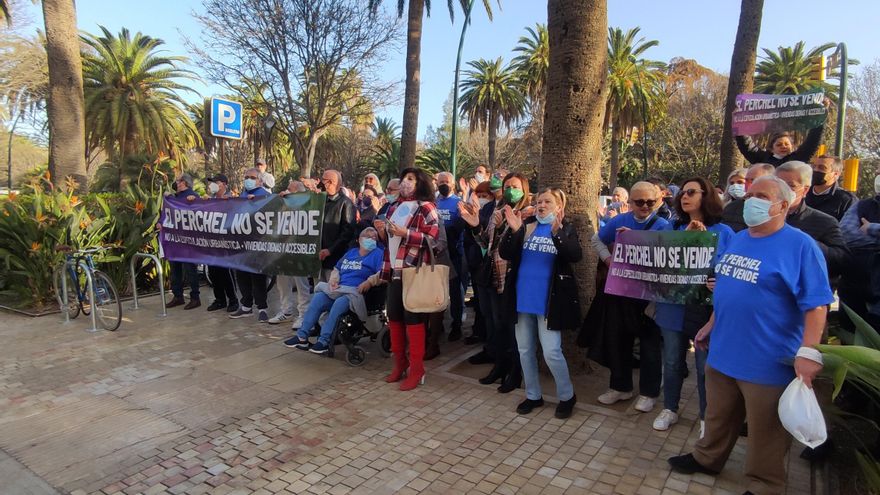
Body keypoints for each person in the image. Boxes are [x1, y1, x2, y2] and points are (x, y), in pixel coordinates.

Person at [668, 175, 833, 495]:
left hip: (768, 359)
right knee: (718, 414)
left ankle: (764, 484)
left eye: (761, 195)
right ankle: (707, 458)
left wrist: (809, 351)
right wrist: (711, 324)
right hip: (725, 349)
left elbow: (816, 305)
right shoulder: (741, 237)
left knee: (765, 429)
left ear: (783, 205)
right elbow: (728, 285)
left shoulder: (801, 246)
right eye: (750, 194)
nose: (751, 200)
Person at [652, 178, 734, 433]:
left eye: (691, 192)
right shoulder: (671, 228)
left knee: (703, 366)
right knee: (673, 361)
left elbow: (727, 268)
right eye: (683, 193)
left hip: (706, 311)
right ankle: (670, 408)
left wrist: (704, 248)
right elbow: (659, 262)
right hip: (673, 307)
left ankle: (706, 417)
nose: (685, 196)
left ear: (705, 196)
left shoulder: (724, 233)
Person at [499, 187, 582, 418]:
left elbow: (575, 255)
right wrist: (514, 231)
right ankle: (533, 395)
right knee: (525, 350)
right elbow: (506, 253)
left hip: (548, 303)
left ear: (559, 206)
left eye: (547, 202)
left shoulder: (566, 229)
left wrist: (558, 234)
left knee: (552, 352)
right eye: (538, 202)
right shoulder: (526, 227)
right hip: (522, 299)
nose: (541, 205)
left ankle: (567, 395)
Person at [587, 181, 669, 409]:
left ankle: (649, 392)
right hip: (620, 291)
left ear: (658, 201)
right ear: (629, 202)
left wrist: (636, 239)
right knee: (618, 340)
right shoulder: (619, 220)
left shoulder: (663, 225)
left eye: (650, 202)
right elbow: (596, 239)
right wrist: (607, 259)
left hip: (648, 295)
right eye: (639, 202)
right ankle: (620, 387)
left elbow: (667, 257)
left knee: (649, 344)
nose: (644, 206)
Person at [460, 172, 532, 394]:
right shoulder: (496, 210)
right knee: (496, 326)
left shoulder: (528, 213)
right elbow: (486, 244)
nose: (510, 189)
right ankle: (499, 366)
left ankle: (515, 372)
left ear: (524, 189)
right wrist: (475, 226)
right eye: (507, 185)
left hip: (512, 278)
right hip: (492, 275)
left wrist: (509, 227)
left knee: (511, 328)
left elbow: (522, 247)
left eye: (515, 186)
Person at [377, 167, 440, 391]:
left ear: (420, 183)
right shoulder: (394, 206)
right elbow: (390, 241)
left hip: (413, 270)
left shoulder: (426, 208)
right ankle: (399, 364)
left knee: (412, 319)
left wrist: (406, 234)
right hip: (394, 269)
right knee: (393, 316)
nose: (405, 182)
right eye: (404, 178)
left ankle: (416, 369)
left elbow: (434, 239)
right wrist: (383, 231)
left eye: (411, 179)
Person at [284, 228, 384, 354]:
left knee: (339, 303)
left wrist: (369, 282)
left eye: (374, 237)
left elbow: (382, 274)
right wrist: (333, 280)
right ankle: (301, 336)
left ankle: (324, 341)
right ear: (359, 240)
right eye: (367, 236)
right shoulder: (351, 252)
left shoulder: (378, 254)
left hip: (355, 292)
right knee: (318, 298)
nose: (371, 239)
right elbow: (337, 269)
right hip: (339, 288)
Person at [775, 161, 850, 282]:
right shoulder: (761, 216)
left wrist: (806, 242)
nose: (782, 190)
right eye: (778, 184)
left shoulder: (825, 222)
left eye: (791, 185)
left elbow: (840, 261)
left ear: (805, 190)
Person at [229, 169, 272, 321]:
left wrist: (258, 202)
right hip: (241, 244)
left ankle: (262, 308)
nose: (248, 180)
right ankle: (246, 306)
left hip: (258, 244)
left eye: (252, 177)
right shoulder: (242, 195)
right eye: (246, 177)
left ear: (260, 180)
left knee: (258, 276)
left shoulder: (265, 194)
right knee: (242, 275)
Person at [269, 180, 313, 327]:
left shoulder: (308, 203)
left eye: (290, 190)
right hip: (283, 249)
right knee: (282, 281)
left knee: (301, 283)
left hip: (299, 249)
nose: (287, 191)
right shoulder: (283, 204)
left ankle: (304, 314)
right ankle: (286, 311)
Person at [839, 174, 880, 330]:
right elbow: (846, 235)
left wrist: (871, 228)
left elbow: (859, 236)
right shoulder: (863, 205)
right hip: (853, 288)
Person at [434, 172, 465, 343]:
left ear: (453, 184)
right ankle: (438, 325)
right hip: (436, 252)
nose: (444, 184)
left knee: (455, 289)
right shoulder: (434, 202)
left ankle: (457, 324)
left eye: (447, 182)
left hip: (454, 253)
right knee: (437, 290)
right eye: (441, 182)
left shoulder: (458, 203)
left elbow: (461, 226)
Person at [204, 174, 240, 313]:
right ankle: (219, 300)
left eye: (216, 182)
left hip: (226, 243)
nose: (213, 185)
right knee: (213, 272)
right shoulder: (210, 200)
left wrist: (230, 202)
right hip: (212, 243)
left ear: (224, 184)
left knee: (226, 272)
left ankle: (233, 300)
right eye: (212, 182)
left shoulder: (232, 198)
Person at [166, 174, 201, 310]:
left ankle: (195, 297)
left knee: (190, 268)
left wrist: (195, 200)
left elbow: (200, 211)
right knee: (175, 269)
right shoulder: (174, 197)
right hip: (175, 238)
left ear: (185, 183)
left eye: (179, 181)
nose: (177, 183)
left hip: (188, 240)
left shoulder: (192, 196)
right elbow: (166, 213)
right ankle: (178, 296)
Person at [319, 169, 357, 282]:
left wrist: (330, 250)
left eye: (324, 181)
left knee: (332, 292)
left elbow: (347, 233)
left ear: (331, 182)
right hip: (318, 260)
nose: (322, 184)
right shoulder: (320, 201)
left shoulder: (346, 204)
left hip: (335, 260)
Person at [721, 163, 775, 233]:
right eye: (746, 180)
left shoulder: (776, 206)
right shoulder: (731, 206)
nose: (748, 184)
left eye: (753, 180)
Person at [735, 125, 824, 166]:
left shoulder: (798, 158)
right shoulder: (762, 159)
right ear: (771, 148)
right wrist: (739, 122)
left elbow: (812, 143)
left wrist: (820, 119)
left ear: (792, 146)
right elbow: (747, 146)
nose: (783, 147)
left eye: (786, 144)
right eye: (779, 144)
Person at [805, 155, 857, 221]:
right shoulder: (802, 192)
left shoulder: (846, 200)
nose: (815, 170)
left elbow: (848, 227)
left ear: (836, 174)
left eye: (822, 168)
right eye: (813, 166)